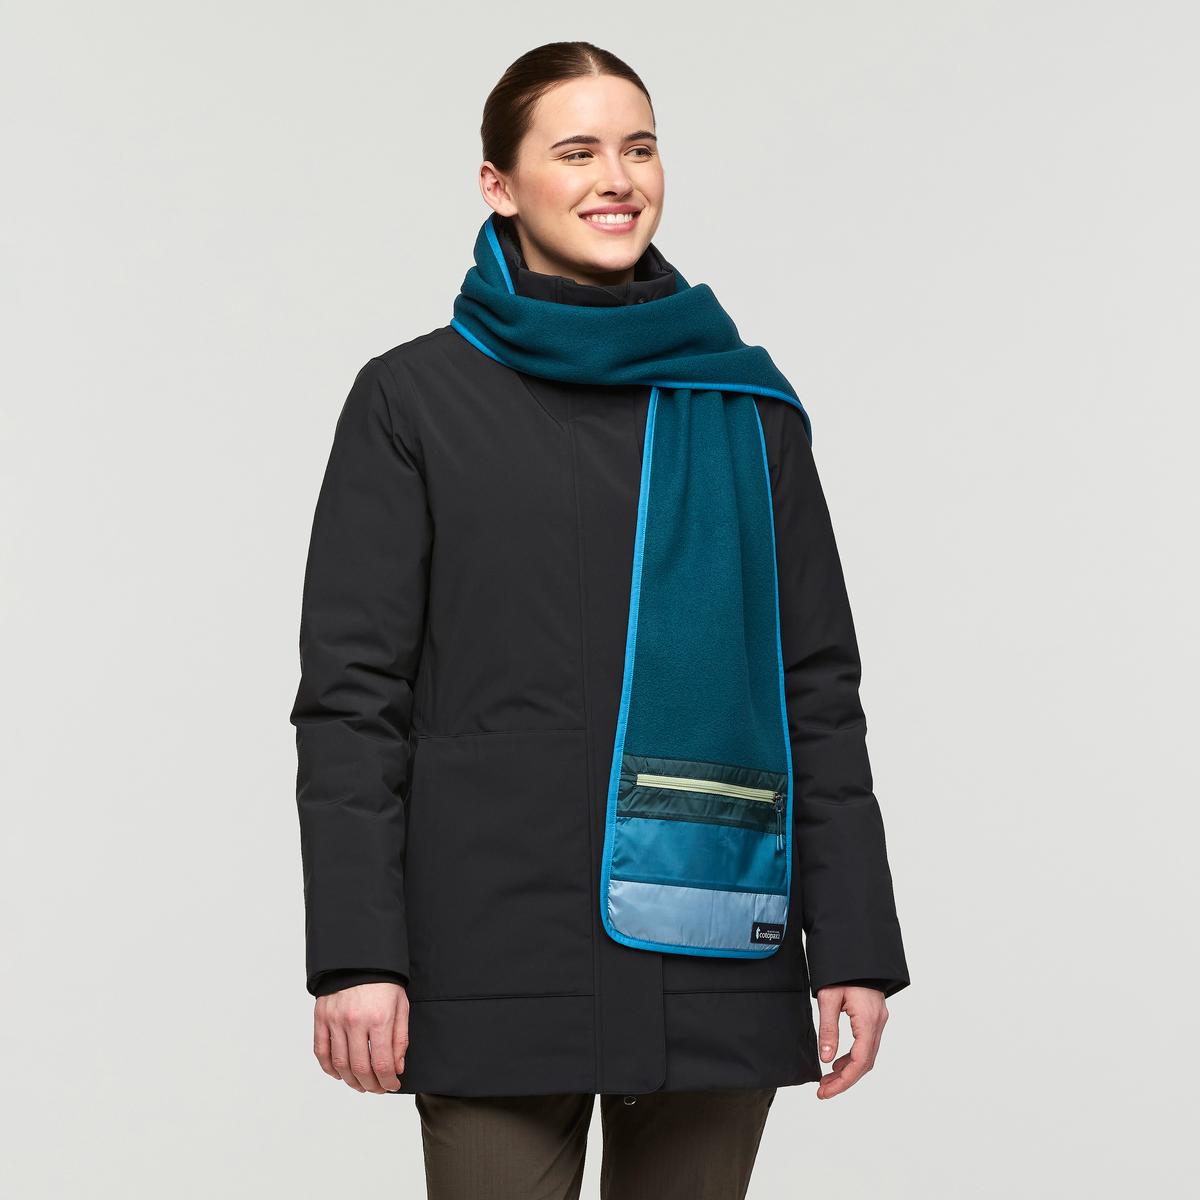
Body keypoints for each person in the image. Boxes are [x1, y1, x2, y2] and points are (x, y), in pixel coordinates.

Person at [292, 41, 909, 1200]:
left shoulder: (749, 409)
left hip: (714, 939)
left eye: (639, 148)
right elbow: (352, 699)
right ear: (499, 183)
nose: (616, 178)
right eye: (576, 151)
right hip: (491, 943)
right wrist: (358, 953)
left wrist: (856, 944)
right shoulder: (412, 400)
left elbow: (815, 687)